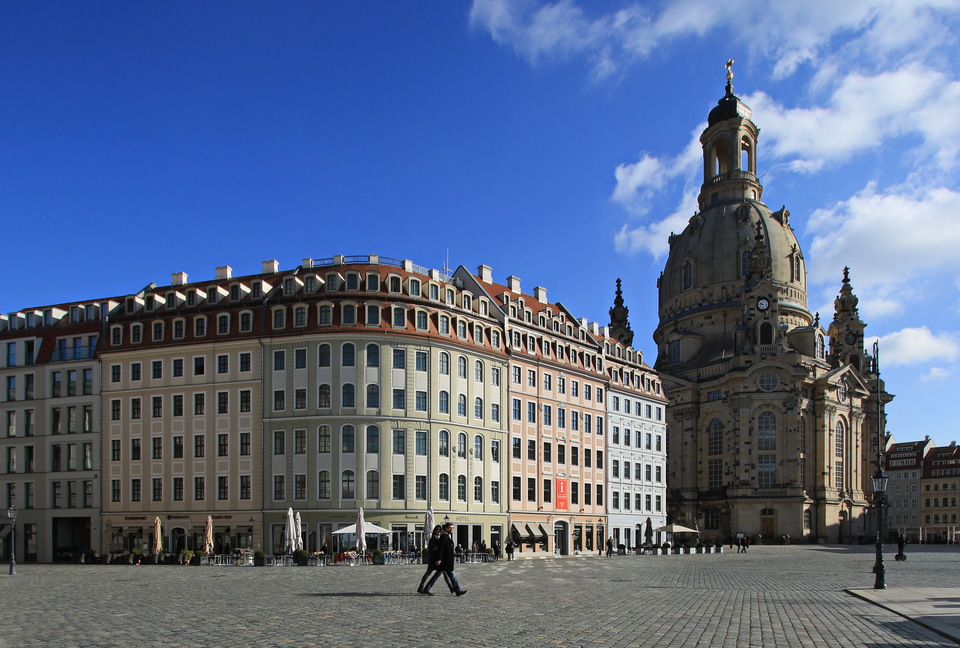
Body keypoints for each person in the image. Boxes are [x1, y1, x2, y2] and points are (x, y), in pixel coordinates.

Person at [423, 522, 467, 597]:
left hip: (446, 561)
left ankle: (427, 588)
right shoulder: (444, 537)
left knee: (436, 576)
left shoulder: (446, 536)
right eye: (450, 528)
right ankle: (457, 590)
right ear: (446, 528)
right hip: (445, 561)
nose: (452, 529)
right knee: (452, 575)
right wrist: (439, 559)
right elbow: (441, 548)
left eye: (452, 528)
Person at [417, 525, 449, 594]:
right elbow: (432, 549)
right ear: (434, 531)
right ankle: (421, 586)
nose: (438, 531)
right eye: (437, 530)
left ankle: (451, 587)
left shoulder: (439, 538)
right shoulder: (433, 539)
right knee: (428, 573)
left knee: (444, 572)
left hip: (437, 559)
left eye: (440, 530)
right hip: (433, 559)